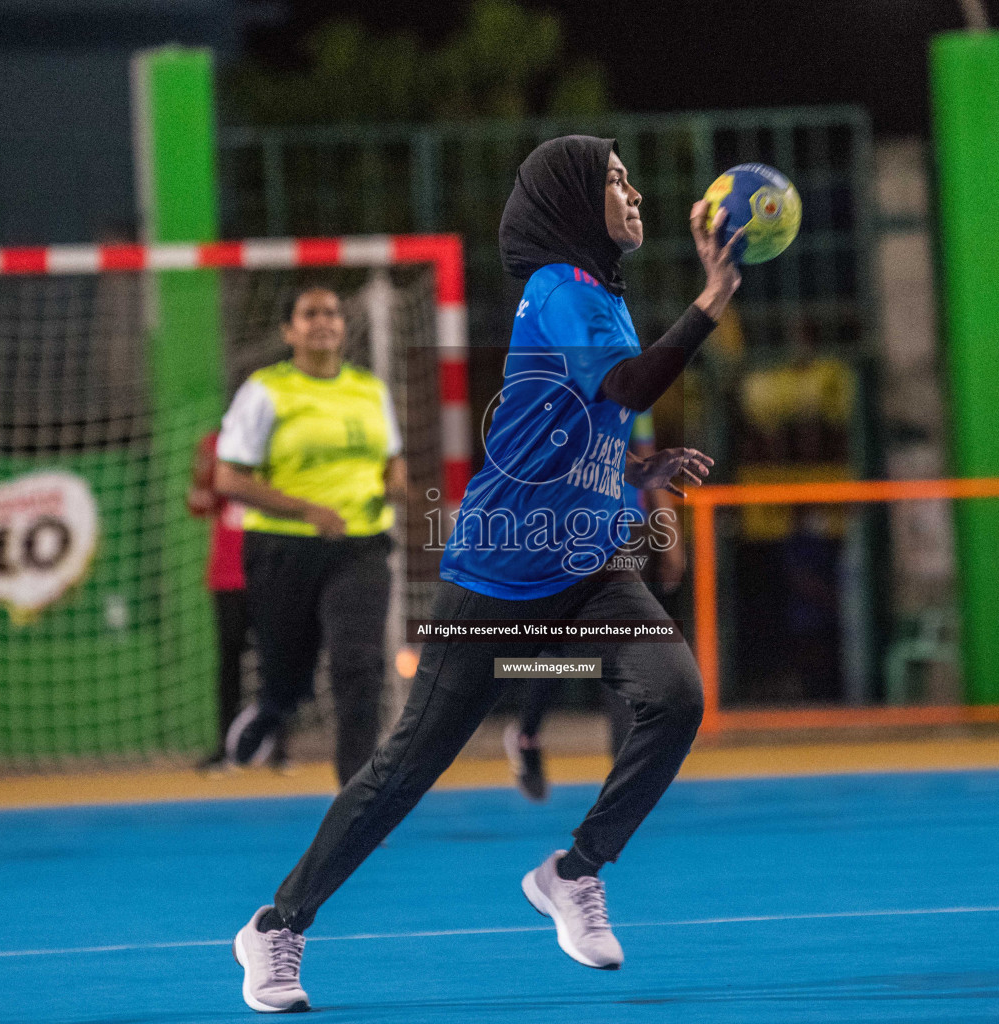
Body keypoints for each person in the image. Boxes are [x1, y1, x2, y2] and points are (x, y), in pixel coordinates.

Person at [232, 135, 742, 1013]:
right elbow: (630, 386)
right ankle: (277, 928)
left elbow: (587, 424)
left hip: (588, 570)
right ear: (576, 201)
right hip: (497, 581)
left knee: (676, 695)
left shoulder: (602, 303)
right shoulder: (558, 291)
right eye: (616, 180)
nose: (635, 193)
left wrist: (635, 475)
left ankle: (573, 871)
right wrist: (710, 300)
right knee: (400, 775)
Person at [213, 286, 407, 788]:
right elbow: (228, 479)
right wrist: (305, 509)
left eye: (333, 312)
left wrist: (397, 485)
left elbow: (393, 460)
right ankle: (273, 706)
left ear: (344, 326)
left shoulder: (369, 389)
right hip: (283, 549)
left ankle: (357, 797)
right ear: (288, 330)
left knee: (358, 667)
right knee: (288, 675)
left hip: (361, 545)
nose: (323, 321)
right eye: (310, 313)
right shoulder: (265, 390)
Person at [502, 411, 683, 801]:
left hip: (624, 531)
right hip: (563, 530)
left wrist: (671, 534)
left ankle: (624, 775)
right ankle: (527, 736)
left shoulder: (638, 400)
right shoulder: (554, 395)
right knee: (559, 653)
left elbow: (650, 462)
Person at [186, 431, 255, 773]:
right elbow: (198, 504)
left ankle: (278, 747)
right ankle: (227, 746)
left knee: (279, 658)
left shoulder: (280, 436)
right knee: (230, 659)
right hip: (227, 573)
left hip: (272, 567)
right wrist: (204, 479)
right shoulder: (213, 444)